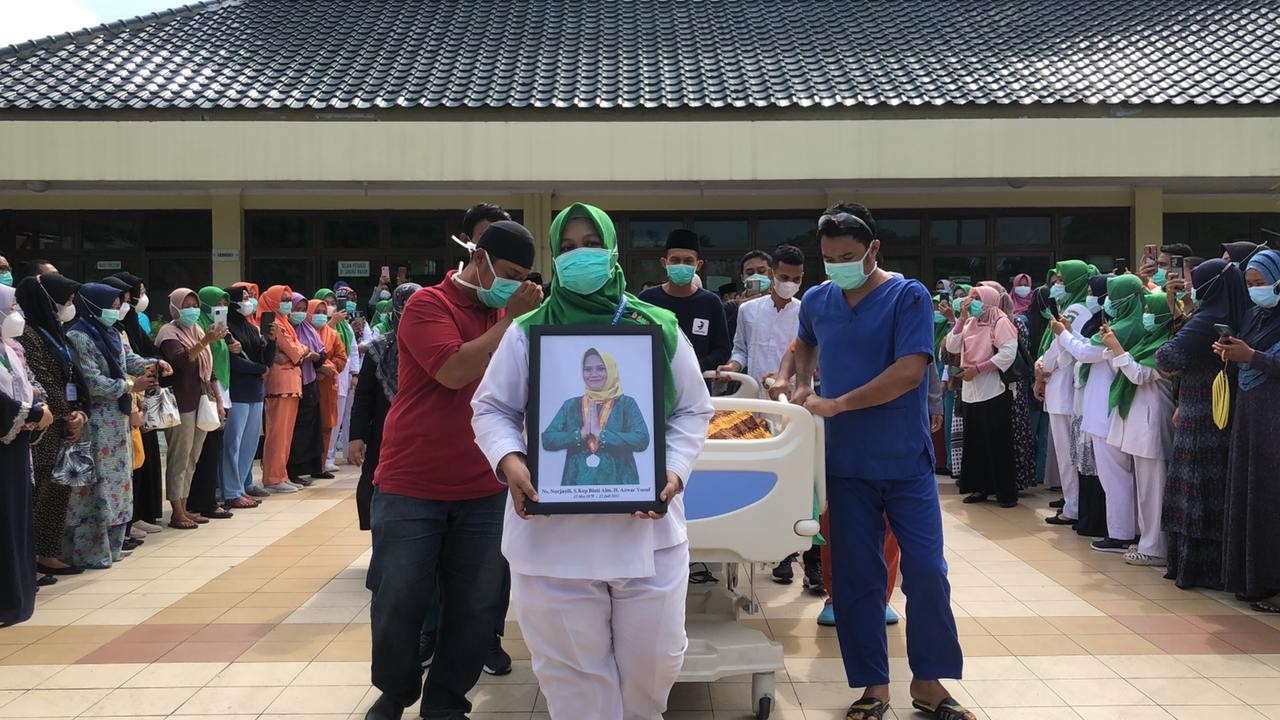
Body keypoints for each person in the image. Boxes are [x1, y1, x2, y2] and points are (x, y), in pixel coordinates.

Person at [470, 203, 712, 720]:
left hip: (645, 530)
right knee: (572, 679)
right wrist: (509, 459)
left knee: (656, 666)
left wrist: (673, 469)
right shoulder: (528, 329)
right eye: (568, 248)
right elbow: (492, 408)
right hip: (553, 540)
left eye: (591, 244)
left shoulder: (657, 326)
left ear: (613, 250)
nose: (580, 256)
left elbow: (693, 409)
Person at [792, 204, 968, 720]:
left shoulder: (907, 296)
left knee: (927, 571)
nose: (838, 266)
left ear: (873, 249)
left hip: (904, 460)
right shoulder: (818, 299)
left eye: (848, 256)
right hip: (845, 465)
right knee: (857, 579)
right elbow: (804, 341)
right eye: (829, 258)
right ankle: (874, 687)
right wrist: (801, 381)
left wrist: (837, 403)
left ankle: (929, 683)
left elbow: (910, 371)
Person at [364, 220, 542, 720]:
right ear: (479, 259)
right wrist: (512, 320)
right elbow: (453, 370)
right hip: (412, 483)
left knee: (477, 606)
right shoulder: (429, 305)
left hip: (485, 485)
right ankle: (396, 691)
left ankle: (445, 703)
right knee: (399, 598)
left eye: (523, 277)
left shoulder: (511, 316)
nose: (514, 286)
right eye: (508, 274)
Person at [1156, 259, 1249, 590]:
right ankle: (1221, 567)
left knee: (1195, 488)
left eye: (1195, 284)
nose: (1191, 289)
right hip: (1222, 408)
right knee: (1216, 488)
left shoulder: (1207, 318)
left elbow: (1167, 357)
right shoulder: (1240, 312)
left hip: (1200, 412)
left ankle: (1196, 568)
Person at [65, 282, 161, 565]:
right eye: (113, 306)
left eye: (119, 306)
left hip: (117, 421)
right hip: (96, 421)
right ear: (94, 305)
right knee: (97, 487)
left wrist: (154, 364)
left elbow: (129, 360)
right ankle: (92, 551)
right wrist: (131, 385)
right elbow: (92, 381)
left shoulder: (113, 333)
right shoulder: (79, 336)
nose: (117, 310)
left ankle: (112, 546)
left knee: (118, 485)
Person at [1057, 274, 1146, 552]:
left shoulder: (1121, 328)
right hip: (1109, 408)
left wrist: (1063, 334)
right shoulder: (1132, 323)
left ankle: (1121, 533)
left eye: (1113, 296)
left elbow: (1086, 353)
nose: (1107, 301)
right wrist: (1071, 334)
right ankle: (1128, 530)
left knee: (1114, 476)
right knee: (1121, 475)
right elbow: (1090, 349)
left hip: (1106, 410)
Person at [1219, 249, 1280, 612]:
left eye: (1262, 283)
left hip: (1274, 419)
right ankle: (1252, 579)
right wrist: (1231, 352)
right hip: (1250, 417)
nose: (1256, 289)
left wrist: (1251, 357)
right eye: (1250, 283)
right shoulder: (1255, 314)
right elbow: (1248, 350)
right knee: (1251, 494)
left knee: (1273, 499)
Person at [15, 274, 87, 576]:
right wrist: (65, 413)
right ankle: (31, 558)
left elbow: (71, 375)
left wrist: (78, 412)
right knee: (39, 492)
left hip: (64, 423)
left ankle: (48, 553)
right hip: (44, 426)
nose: (70, 305)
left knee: (59, 490)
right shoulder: (29, 334)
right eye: (66, 300)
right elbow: (42, 378)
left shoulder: (56, 331)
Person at [1100, 291, 1175, 567]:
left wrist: (1117, 349)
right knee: (1145, 489)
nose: (1145, 315)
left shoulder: (1166, 346)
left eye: (1150, 310)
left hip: (1152, 423)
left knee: (1154, 489)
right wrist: (1113, 348)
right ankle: (1147, 540)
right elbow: (1125, 368)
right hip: (1141, 423)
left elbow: (1139, 375)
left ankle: (1156, 548)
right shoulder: (1148, 340)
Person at [349, 282, 421, 531]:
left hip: (423, 432)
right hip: (384, 432)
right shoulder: (378, 349)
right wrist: (356, 437)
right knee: (378, 481)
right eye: (405, 306)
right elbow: (363, 397)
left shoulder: (437, 346)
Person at [0, 286, 52, 626]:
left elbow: (30, 384)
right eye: (11, 307)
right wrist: (30, 412)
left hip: (16, 447)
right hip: (5, 444)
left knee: (15, 518)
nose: (15, 314)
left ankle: (17, 595)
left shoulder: (11, 347)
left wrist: (40, 407)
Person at [944, 285, 1019, 507]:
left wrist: (979, 369)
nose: (972, 301)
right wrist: (961, 318)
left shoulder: (1000, 321)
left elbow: (1008, 353)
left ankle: (1005, 493)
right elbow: (952, 345)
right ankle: (980, 487)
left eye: (977, 298)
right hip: (971, 391)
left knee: (997, 442)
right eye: (971, 297)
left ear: (989, 300)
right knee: (975, 442)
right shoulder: (970, 322)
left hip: (993, 389)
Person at [156, 288, 224, 529]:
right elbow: (180, 361)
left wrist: (219, 400)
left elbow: (209, 370)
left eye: (195, 305)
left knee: (192, 457)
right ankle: (176, 510)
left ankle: (184, 507)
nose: (192, 310)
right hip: (180, 403)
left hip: (201, 401)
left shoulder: (197, 330)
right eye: (186, 306)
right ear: (174, 308)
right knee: (179, 457)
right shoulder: (168, 333)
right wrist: (205, 342)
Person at [542, 348, 651, 486]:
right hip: (576, 486)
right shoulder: (571, 405)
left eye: (600, 368)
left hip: (620, 487)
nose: (593, 374)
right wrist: (579, 435)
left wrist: (602, 435)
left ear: (611, 371)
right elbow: (547, 439)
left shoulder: (626, 404)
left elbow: (642, 439)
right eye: (588, 369)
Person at [110, 271, 165, 533]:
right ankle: (126, 523)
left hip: (138, 399)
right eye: (122, 300)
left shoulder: (124, 327)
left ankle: (139, 515)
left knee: (142, 460)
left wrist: (155, 363)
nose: (128, 304)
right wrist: (133, 390)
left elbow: (134, 357)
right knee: (126, 467)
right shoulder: (93, 333)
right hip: (122, 403)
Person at [638, 229, 732, 371]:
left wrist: (694, 367)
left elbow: (722, 350)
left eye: (688, 261)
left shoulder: (711, 302)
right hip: (657, 379)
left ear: (698, 265)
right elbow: (638, 342)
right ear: (664, 263)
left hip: (697, 380)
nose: (681, 265)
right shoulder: (647, 299)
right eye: (675, 260)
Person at [719, 245, 805, 389]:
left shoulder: (807, 313)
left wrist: (784, 375)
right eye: (784, 278)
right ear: (772, 273)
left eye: (796, 279)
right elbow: (741, 350)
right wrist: (732, 366)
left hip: (793, 394)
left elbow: (811, 357)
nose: (789, 284)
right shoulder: (747, 310)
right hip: (756, 392)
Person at [222, 285, 276, 509]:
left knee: (250, 445)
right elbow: (233, 362)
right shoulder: (225, 329)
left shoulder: (252, 329)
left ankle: (240, 487)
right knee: (232, 445)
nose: (248, 302)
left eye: (250, 298)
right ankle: (230, 491)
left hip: (255, 393)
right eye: (244, 298)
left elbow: (266, 359)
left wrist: (272, 341)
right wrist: (260, 369)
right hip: (237, 393)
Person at [261, 286, 307, 493]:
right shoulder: (275, 324)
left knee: (286, 435)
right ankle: (273, 477)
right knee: (277, 434)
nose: (288, 303)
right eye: (284, 299)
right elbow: (296, 352)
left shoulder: (285, 322)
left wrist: (297, 352)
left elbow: (298, 350)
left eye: (289, 299)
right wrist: (298, 352)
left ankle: (281, 474)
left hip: (291, 383)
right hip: (279, 385)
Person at [287, 292, 328, 485]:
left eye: (304, 310)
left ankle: (315, 467)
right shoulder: (286, 330)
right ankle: (294, 471)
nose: (301, 313)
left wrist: (314, 357)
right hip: (294, 384)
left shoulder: (308, 329)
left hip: (310, 382)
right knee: (297, 431)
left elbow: (322, 354)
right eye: (298, 309)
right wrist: (304, 355)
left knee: (313, 427)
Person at [307, 297, 348, 480]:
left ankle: (321, 466)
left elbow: (342, 357)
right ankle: (303, 466)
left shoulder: (333, 334)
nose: (321, 316)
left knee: (326, 426)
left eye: (324, 313)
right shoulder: (303, 332)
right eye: (317, 312)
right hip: (307, 383)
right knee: (306, 426)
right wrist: (318, 369)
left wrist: (328, 368)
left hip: (327, 386)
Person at [323, 283, 361, 471]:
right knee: (331, 419)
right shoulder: (321, 324)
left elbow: (353, 350)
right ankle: (327, 457)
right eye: (327, 303)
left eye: (333, 303)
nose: (331, 306)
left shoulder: (345, 325)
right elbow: (322, 342)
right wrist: (332, 322)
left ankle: (347, 452)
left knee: (345, 417)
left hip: (345, 377)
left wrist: (355, 373)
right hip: (327, 375)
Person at [723, 250, 774, 341]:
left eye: (761, 271)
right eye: (750, 273)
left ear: (771, 274)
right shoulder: (730, 308)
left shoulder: (779, 305)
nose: (756, 276)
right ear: (742, 278)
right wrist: (739, 312)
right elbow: (723, 339)